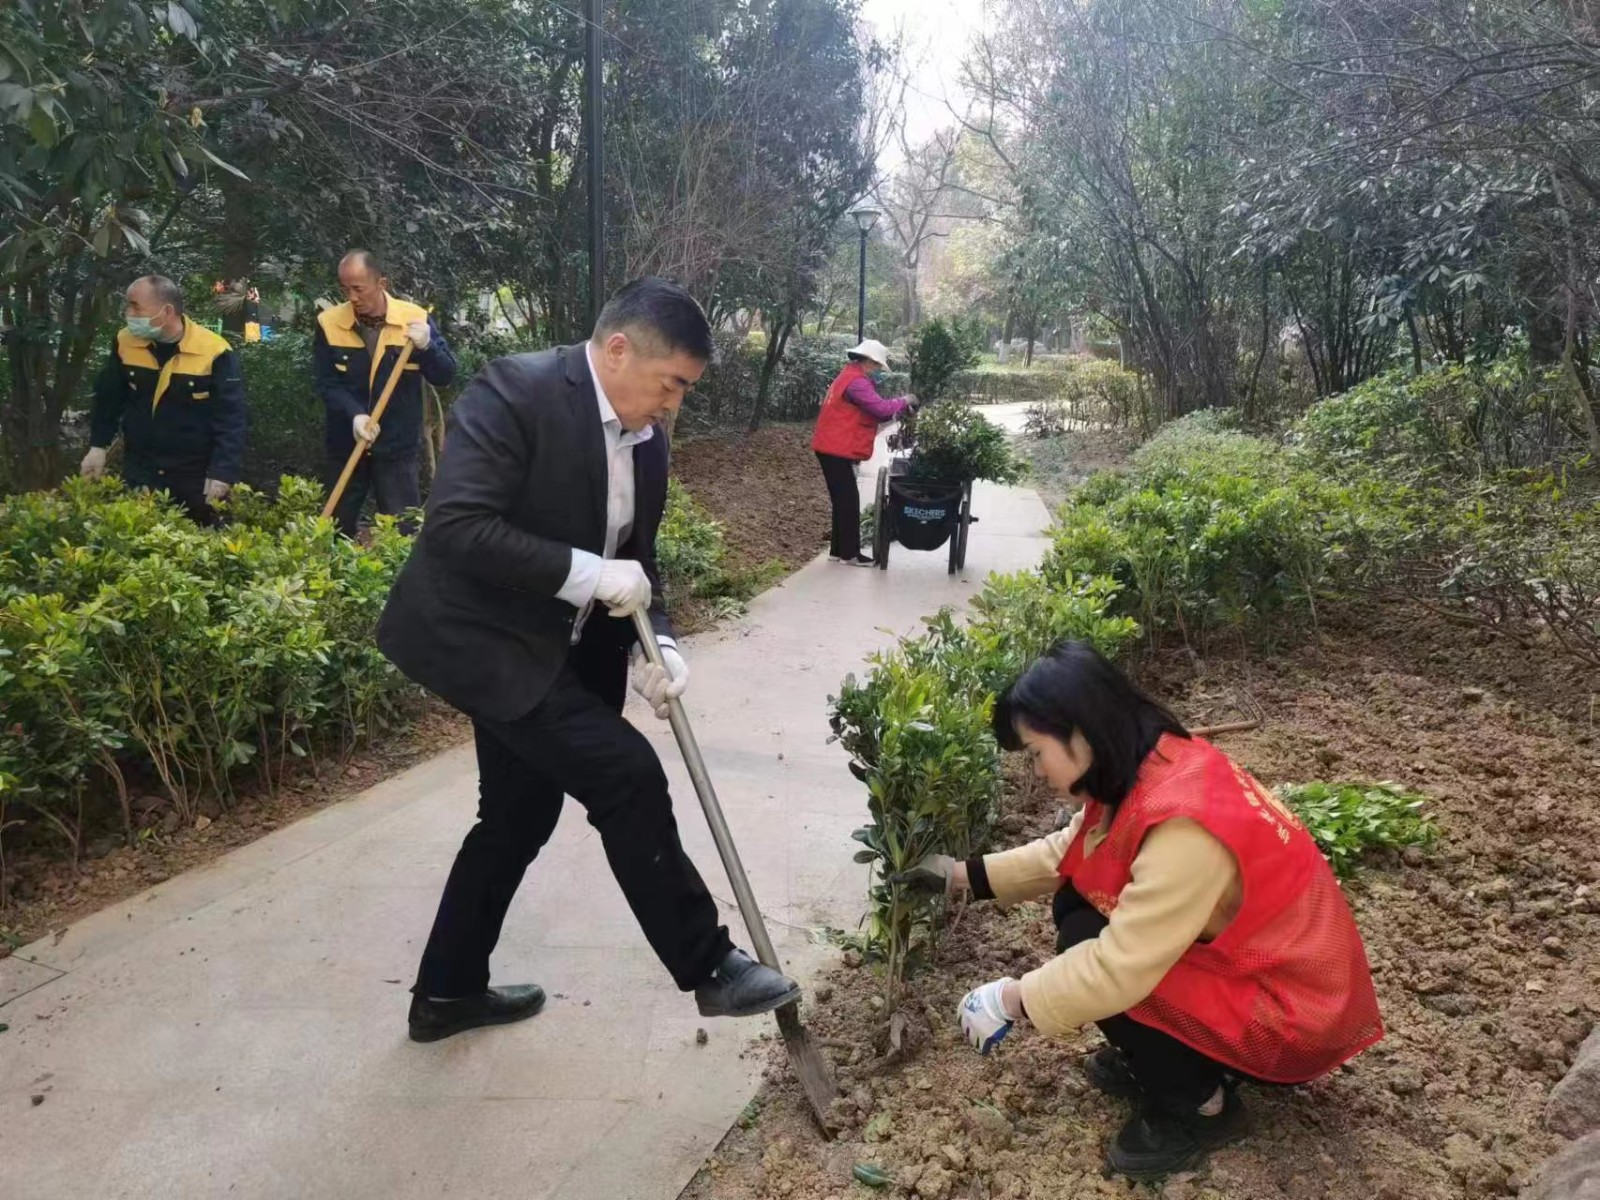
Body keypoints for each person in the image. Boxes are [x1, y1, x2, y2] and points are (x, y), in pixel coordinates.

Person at [377, 277, 802, 1043]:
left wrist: (660, 643)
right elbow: (457, 526)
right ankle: (710, 966)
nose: (674, 403)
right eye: (671, 383)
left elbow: (638, 563)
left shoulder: (649, 443)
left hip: (562, 647)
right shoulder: (517, 391)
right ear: (618, 351)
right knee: (625, 773)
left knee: (517, 817)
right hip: (484, 642)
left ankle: (445, 993)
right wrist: (589, 573)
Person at [899, 641, 1383, 1182]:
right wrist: (961, 876)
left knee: (1090, 946)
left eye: (1036, 752)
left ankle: (1203, 1105)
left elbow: (1119, 967)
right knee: (1078, 907)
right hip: (1263, 975)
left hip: (1291, 1019)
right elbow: (1074, 851)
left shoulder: (1184, 826)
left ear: (1080, 732)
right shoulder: (1154, 762)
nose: (1035, 771)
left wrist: (1011, 999)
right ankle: (1175, 1058)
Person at [82, 275, 247, 526]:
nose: (128, 314)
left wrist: (222, 472)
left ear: (167, 311)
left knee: (198, 539)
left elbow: (231, 419)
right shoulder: (125, 342)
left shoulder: (215, 351)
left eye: (136, 307)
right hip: (141, 469)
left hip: (194, 474)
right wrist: (98, 446)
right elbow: (109, 399)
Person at [314, 250, 456, 536]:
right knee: (335, 529)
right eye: (345, 289)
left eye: (358, 289)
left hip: (397, 447)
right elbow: (326, 383)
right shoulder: (329, 323)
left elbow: (445, 375)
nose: (352, 297)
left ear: (381, 284)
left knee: (401, 531)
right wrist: (355, 415)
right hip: (346, 444)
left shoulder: (414, 319)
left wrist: (427, 347)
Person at [810, 338, 913, 566]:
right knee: (848, 501)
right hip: (835, 448)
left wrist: (897, 410)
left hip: (830, 446)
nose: (877, 370)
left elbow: (875, 413)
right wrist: (905, 401)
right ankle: (850, 554)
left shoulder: (847, 376)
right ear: (868, 361)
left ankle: (838, 551)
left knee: (842, 500)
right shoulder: (857, 382)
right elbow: (880, 409)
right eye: (877, 365)